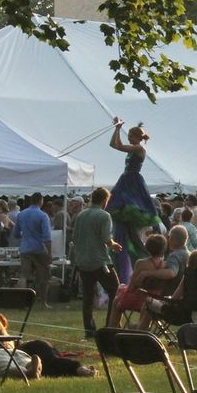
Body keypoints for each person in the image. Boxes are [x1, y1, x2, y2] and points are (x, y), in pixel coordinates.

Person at [103, 118, 162, 282]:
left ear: (137, 137)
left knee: (128, 210)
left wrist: (118, 129)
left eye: (130, 136)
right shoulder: (133, 148)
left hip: (132, 181)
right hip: (126, 179)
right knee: (118, 212)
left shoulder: (139, 149)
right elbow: (114, 145)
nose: (128, 138)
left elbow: (119, 145)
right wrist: (116, 129)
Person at [71, 186, 117, 336]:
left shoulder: (81, 215)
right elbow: (106, 238)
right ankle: (111, 326)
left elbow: (75, 237)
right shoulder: (104, 216)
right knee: (115, 292)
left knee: (88, 296)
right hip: (101, 261)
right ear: (105, 200)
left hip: (83, 261)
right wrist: (114, 245)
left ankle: (89, 330)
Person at [12, 190, 53, 308]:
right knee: (44, 276)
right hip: (39, 248)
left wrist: (25, 236)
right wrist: (50, 253)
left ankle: (23, 303)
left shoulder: (21, 214)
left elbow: (16, 233)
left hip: (25, 248)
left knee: (25, 275)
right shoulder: (43, 215)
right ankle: (43, 303)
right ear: (41, 201)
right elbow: (47, 237)